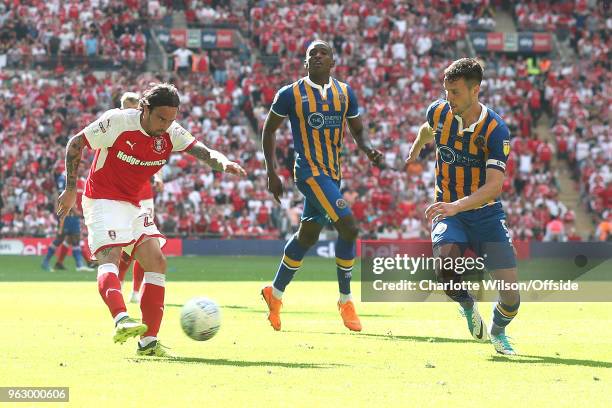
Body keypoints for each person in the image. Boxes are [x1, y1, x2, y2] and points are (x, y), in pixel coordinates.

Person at [56, 83, 246, 357]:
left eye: (171, 119)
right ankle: (121, 319)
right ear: (144, 109)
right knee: (110, 256)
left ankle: (149, 343)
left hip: (133, 204)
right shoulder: (118, 121)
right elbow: (76, 143)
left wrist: (223, 162)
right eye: (161, 118)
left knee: (157, 261)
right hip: (102, 199)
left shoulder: (170, 132)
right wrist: (71, 188)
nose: (165, 125)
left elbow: (202, 151)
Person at [260, 40, 383, 332]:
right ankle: (345, 300)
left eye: (322, 52)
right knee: (349, 227)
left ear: (333, 62)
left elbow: (358, 129)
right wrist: (271, 172)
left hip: (333, 173)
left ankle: (274, 294)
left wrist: (367, 148)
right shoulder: (290, 94)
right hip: (308, 172)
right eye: (311, 54)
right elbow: (269, 129)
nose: (316, 56)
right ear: (305, 64)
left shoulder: (344, 92)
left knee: (308, 235)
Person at [405, 58, 520, 355]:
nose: (448, 99)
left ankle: (497, 331)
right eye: (446, 91)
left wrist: (457, 206)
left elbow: (494, 186)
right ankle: (467, 305)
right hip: (448, 210)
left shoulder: (496, 130)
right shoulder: (439, 111)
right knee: (445, 265)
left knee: (511, 298)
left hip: (485, 213)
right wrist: (417, 145)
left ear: (475, 90)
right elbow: (428, 129)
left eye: (455, 92)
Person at [115, 92, 161, 304]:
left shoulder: (148, 130)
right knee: (126, 246)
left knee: (145, 244)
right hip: (122, 196)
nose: (129, 110)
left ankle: (135, 291)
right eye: (126, 106)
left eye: (133, 107)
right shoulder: (115, 128)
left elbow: (155, 156)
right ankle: (118, 284)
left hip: (144, 197)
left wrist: (158, 176)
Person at [41, 171, 94, 272]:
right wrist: (77, 212)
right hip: (67, 216)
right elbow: (66, 198)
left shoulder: (75, 181)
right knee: (59, 239)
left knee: (75, 239)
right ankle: (45, 262)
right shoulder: (65, 180)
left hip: (72, 216)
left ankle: (79, 265)